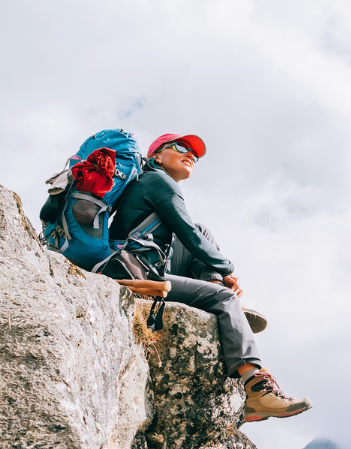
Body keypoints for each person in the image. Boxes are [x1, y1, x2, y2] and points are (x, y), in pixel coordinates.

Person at [109, 133, 311, 422]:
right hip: (135, 273)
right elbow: (187, 235)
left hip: (139, 264)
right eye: (180, 147)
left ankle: (215, 290)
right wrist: (228, 269)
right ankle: (256, 390)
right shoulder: (158, 181)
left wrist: (218, 274)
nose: (190, 154)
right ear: (156, 156)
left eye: (195, 154)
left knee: (203, 230)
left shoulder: (150, 182)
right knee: (223, 295)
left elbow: (194, 233)